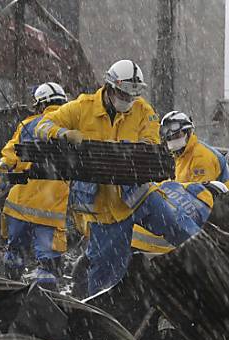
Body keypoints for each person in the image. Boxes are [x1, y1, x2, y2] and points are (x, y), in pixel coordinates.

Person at [33, 59, 169, 295]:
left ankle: (203, 264)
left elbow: (152, 142)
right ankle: (100, 314)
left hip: (137, 193)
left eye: (131, 97)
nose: (127, 101)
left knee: (178, 227)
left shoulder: (142, 110)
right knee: (106, 274)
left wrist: (130, 150)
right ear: (110, 87)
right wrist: (63, 133)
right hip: (102, 205)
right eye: (124, 95)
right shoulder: (82, 107)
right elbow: (42, 126)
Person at [0, 82, 70, 288]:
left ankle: (9, 292)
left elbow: (6, 160)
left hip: (19, 208)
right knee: (48, 266)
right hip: (50, 212)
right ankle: (45, 304)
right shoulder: (68, 129)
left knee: (14, 254)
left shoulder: (27, 125)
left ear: (40, 104)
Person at [132, 110, 229, 254]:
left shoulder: (202, 157)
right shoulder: (178, 156)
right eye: (169, 137)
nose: (172, 139)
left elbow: (200, 197)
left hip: (220, 214)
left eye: (177, 135)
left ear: (188, 133)